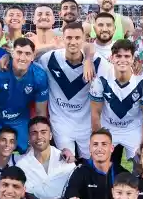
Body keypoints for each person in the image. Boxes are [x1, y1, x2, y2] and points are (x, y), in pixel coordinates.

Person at [38, 22, 101, 159]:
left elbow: (117, 71)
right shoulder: (49, 59)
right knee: (67, 164)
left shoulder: (96, 62)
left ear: (83, 39)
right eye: (69, 38)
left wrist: (88, 59)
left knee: (90, 163)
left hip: (86, 124)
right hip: (61, 124)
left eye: (77, 38)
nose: (73, 42)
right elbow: (28, 56)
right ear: (62, 39)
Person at [90, 39, 143, 165]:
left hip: (132, 128)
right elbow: (95, 113)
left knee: (142, 164)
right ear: (112, 58)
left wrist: (142, 144)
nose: (122, 60)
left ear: (132, 59)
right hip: (108, 127)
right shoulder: (101, 80)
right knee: (100, 163)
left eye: (127, 56)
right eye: (118, 56)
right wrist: (99, 139)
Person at [0, 37, 49, 153]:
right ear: (12, 53)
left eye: (27, 54)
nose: (22, 58)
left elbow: (40, 113)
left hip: (20, 121)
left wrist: (37, 139)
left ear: (33, 56)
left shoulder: (39, 76)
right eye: (19, 52)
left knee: (26, 155)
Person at [16, 117, 78, 199]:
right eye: (34, 133)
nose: (39, 137)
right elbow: (26, 192)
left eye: (43, 132)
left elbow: (75, 187)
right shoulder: (22, 165)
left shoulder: (65, 159)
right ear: (29, 137)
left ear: (50, 136)